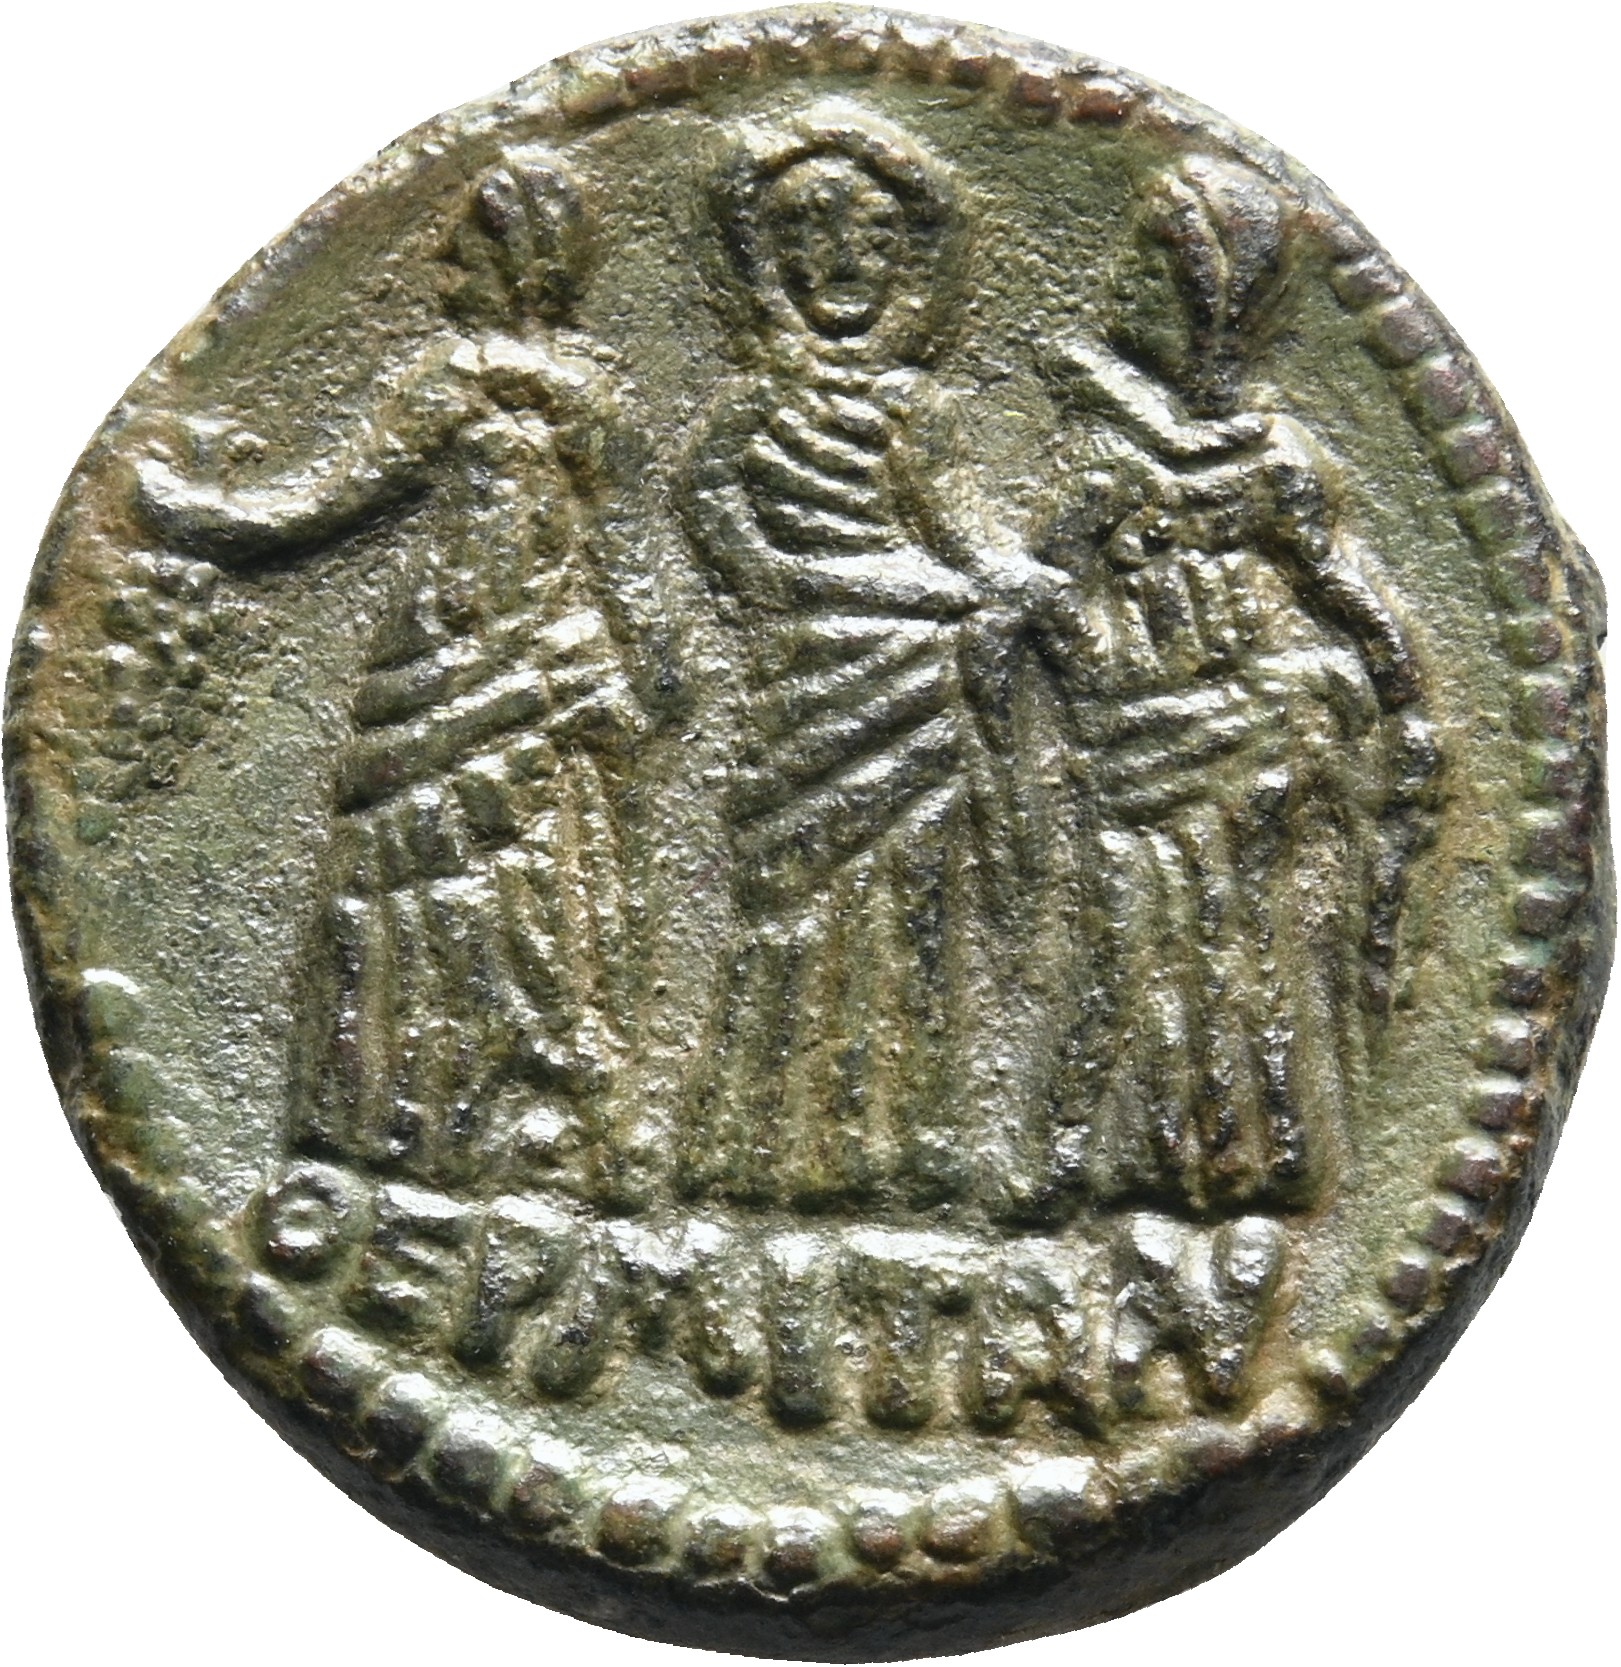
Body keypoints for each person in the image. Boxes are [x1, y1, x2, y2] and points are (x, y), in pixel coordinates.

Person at [135, 150, 650, 1199]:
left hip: (493, 661)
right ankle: (493, 1127)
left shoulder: (468, 383)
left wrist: (191, 513)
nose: (446, 263)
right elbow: (615, 555)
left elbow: (323, 505)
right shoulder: (580, 401)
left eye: (468, 247)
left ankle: (477, 1125)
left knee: (485, 887)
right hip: (496, 661)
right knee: (512, 887)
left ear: (513, 261)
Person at [678, 104, 1080, 1218]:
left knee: (915, 907)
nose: (843, 263)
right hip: (806, 684)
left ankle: (911, 1141)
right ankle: (757, 1143)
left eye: (870, 239)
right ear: (768, 265)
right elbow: (751, 567)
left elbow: (962, 539)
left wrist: (1031, 581)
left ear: (909, 265)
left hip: (915, 693)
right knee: (790, 902)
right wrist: (932, 593)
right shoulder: (744, 416)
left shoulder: (917, 410)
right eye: (812, 239)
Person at [1039, 155, 1437, 1220]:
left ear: (1200, 300)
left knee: (1248, 940)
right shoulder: (1101, 443)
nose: (1118, 285)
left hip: (1256, 741)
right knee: (1138, 940)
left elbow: (1338, 586)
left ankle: (1262, 1156)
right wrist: (1092, 666)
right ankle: (1135, 1159)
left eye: (1145, 267)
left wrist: (1401, 697)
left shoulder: (1271, 460)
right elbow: (1050, 588)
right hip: (1138, 738)